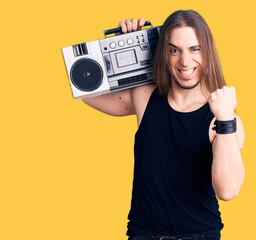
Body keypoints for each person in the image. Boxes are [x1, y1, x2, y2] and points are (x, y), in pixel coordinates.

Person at [82, 10, 245, 240]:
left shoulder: (223, 119)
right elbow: (85, 91)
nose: (185, 61)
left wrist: (226, 117)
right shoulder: (144, 97)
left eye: (194, 49)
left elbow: (227, 190)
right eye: (174, 50)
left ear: (208, 51)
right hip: (143, 235)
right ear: (163, 53)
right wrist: (124, 46)